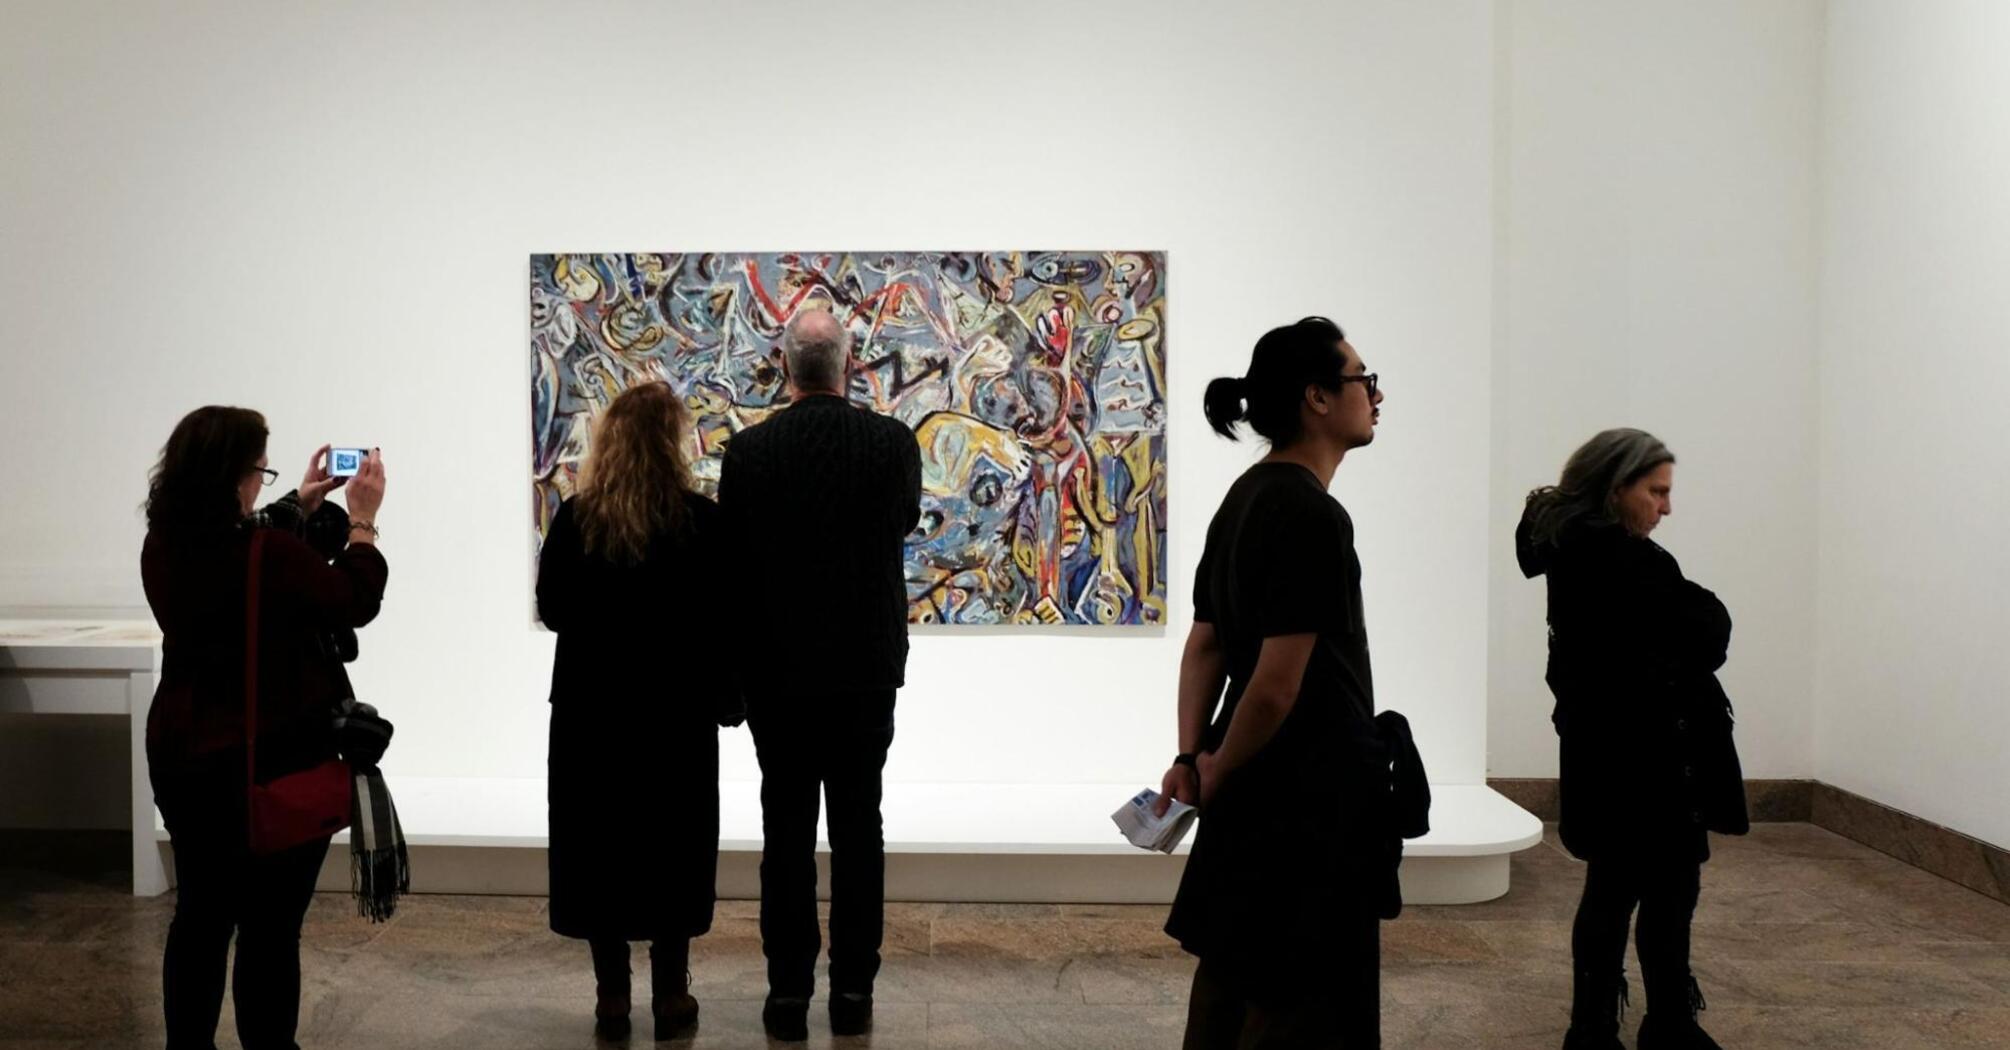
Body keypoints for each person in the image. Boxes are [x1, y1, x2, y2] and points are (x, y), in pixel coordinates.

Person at [1160, 316, 1390, 1049]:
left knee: (1233, 980)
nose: (1376, 394)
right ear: (1317, 398)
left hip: (1252, 779)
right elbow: (1274, 685)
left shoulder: (1246, 496)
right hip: (1305, 796)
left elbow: (1205, 648)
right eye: (1362, 378)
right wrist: (1219, 767)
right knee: (1300, 1002)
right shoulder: (1310, 513)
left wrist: (1192, 757)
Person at [142, 408, 388, 1050]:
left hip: (183, 754)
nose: (260, 483)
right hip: (267, 760)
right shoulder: (268, 554)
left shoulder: (163, 545)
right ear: (231, 476)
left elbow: (243, 551)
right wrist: (362, 522)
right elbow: (352, 599)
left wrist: (300, 501)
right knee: (271, 928)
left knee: (199, 915)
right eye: (259, 470)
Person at [717, 308, 922, 1042]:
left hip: (778, 672)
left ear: (785, 365)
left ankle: (787, 994)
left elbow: (735, 565)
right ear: (848, 364)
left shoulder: (749, 454)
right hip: (865, 669)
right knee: (860, 830)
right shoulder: (891, 443)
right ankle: (854, 992)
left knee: (787, 834)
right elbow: (901, 521)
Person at [1516, 428, 1748, 1050]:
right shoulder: (1621, 560)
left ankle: (1600, 1026)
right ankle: (1658, 1025)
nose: (1666, 508)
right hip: (1647, 758)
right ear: (1616, 488)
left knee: (1618, 889)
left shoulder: (1574, 551)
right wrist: (1702, 607)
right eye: (1657, 491)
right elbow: (1707, 631)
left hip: (1613, 753)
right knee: (1662, 890)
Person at [536, 381, 742, 1041]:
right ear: (671, 445)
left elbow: (556, 609)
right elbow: (724, 620)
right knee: (672, 847)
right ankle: (671, 993)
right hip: (674, 715)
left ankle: (611, 997)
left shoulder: (576, 519)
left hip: (591, 716)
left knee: (599, 847)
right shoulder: (700, 520)